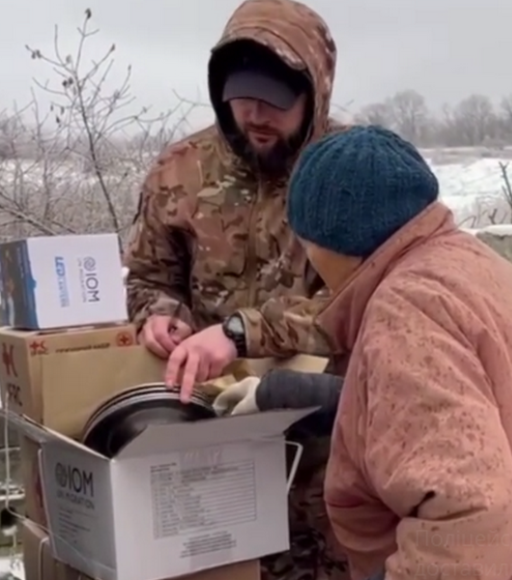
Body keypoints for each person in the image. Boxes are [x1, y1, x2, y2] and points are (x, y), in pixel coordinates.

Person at [247, 124, 512, 580]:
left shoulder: (406, 308)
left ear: (324, 239)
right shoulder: (471, 264)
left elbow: (468, 519)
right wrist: (317, 400)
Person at [122, 1, 348, 579]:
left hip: (330, 440)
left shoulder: (349, 172)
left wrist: (239, 332)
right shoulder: (180, 170)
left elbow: (366, 299)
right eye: (242, 99)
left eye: (275, 103)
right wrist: (161, 314)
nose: (255, 116)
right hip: (213, 433)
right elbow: (151, 276)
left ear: (314, 92)